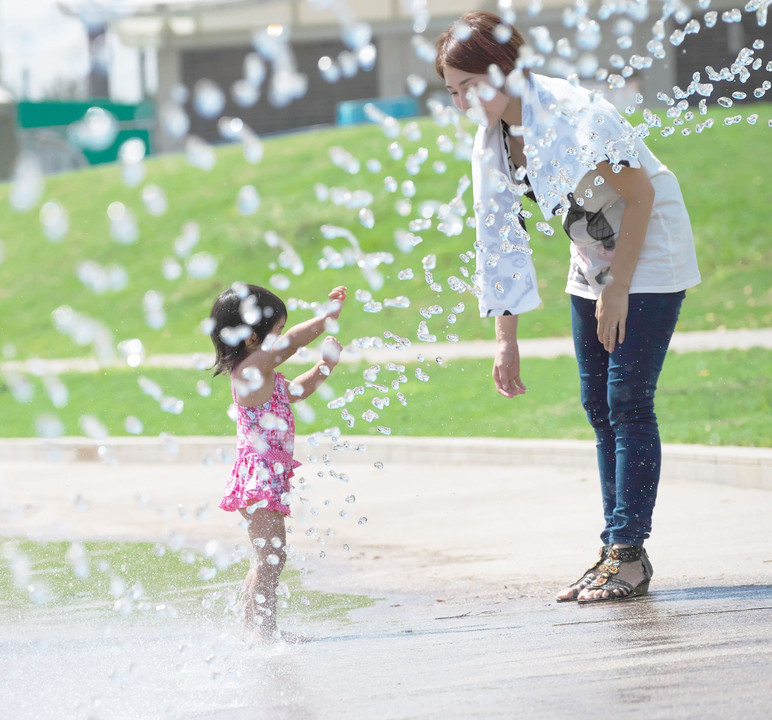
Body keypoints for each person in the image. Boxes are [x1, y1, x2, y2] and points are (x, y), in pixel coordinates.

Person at [435, 12, 700, 604]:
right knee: (596, 403)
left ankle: (627, 556)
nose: (460, 104)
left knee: (627, 399)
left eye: (466, 88)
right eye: (451, 92)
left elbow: (640, 194)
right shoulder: (496, 139)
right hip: (593, 256)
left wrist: (619, 286)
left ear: (502, 70)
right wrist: (507, 338)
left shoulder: (574, 114)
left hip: (647, 248)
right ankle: (615, 550)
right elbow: (499, 238)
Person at [209, 283, 347, 639]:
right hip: (259, 477)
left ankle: (251, 628)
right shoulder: (250, 371)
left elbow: (295, 392)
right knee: (272, 556)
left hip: (265, 476)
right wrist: (325, 319)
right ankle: (264, 633)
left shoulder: (262, 376)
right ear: (252, 338)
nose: (282, 339)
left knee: (267, 556)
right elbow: (293, 344)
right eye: (277, 331)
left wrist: (324, 367)